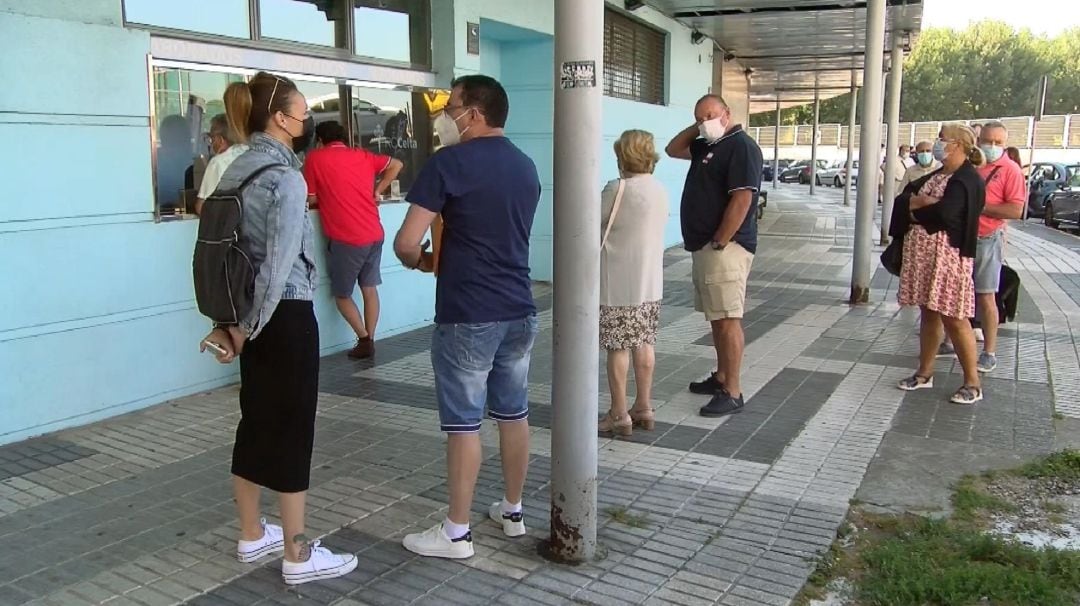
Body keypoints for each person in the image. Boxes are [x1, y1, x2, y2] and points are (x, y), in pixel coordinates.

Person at [199, 71, 357, 585]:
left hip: (248, 315)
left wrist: (233, 323)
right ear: (281, 118)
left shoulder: (233, 167)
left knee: (256, 421)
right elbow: (278, 266)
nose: (308, 119)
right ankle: (297, 555)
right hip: (281, 316)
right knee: (293, 430)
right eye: (302, 111)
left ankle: (251, 535)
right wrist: (248, 326)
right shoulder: (285, 178)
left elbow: (231, 256)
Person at [393, 75, 540, 559]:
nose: (444, 114)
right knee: (513, 414)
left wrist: (424, 262)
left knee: (463, 425)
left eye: (451, 105)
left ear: (474, 114)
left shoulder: (448, 164)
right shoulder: (525, 166)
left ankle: (456, 532)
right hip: (519, 309)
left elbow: (406, 243)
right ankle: (513, 511)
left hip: (467, 314)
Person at [665, 94, 763, 418]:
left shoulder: (741, 146)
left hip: (725, 249)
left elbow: (742, 200)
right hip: (706, 247)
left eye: (710, 115)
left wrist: (721, 240)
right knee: (716, 318)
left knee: (728, 320)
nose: (704, 121)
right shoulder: (708, 145)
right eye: (699, 117)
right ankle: (721, 376)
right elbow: (672, 148)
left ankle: (732, 391)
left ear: (727, 114)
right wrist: (698, 128)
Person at [890, 123, 985, 404]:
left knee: (955, 318)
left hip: (949, 258)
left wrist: (917, 210)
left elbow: (948, 214)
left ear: (957, 145)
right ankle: (924, 372)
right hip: (923, 257)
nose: (938, 144)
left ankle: (972, 382)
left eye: (942, 140)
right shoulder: (936, 175)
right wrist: (917, 203)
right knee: (928, 313)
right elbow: (903, 200)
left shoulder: (967, 179)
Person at [304, 120, 403, 359]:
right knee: (369, 288)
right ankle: (370, 337)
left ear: (319, 140)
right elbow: (397, 164)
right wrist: (378, 190)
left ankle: (364, 339)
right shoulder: (362, 155)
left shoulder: (315, 159)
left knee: (341, 294)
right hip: (374, 232)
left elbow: (310, 199)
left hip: (347, 237)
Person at [597, 130, 669, 436]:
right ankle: (644, 406)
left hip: (618, 281)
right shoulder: (659, 190)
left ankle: (618, 413)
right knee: (644, 342)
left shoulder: (617, 189)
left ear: (622, 156)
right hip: (650, 281)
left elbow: (589, 223)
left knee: (618, 348)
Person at [971, 120, 1025, 372]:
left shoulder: (1010, 170)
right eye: (987, 141)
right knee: (959, 292)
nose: (991, 146)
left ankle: (989, 352)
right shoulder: (971, 164)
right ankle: (950, 341)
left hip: (987, 238)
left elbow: (1015, 209)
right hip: (962, 238)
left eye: (997, 143)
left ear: (1005, 144)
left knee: (986, 294)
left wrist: (979, 208)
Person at [194, 111, 248, 216]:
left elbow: (202, 207)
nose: (211, 144)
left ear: (220, 139)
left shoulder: (218, 163)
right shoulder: (250, 154)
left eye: (212, 139)